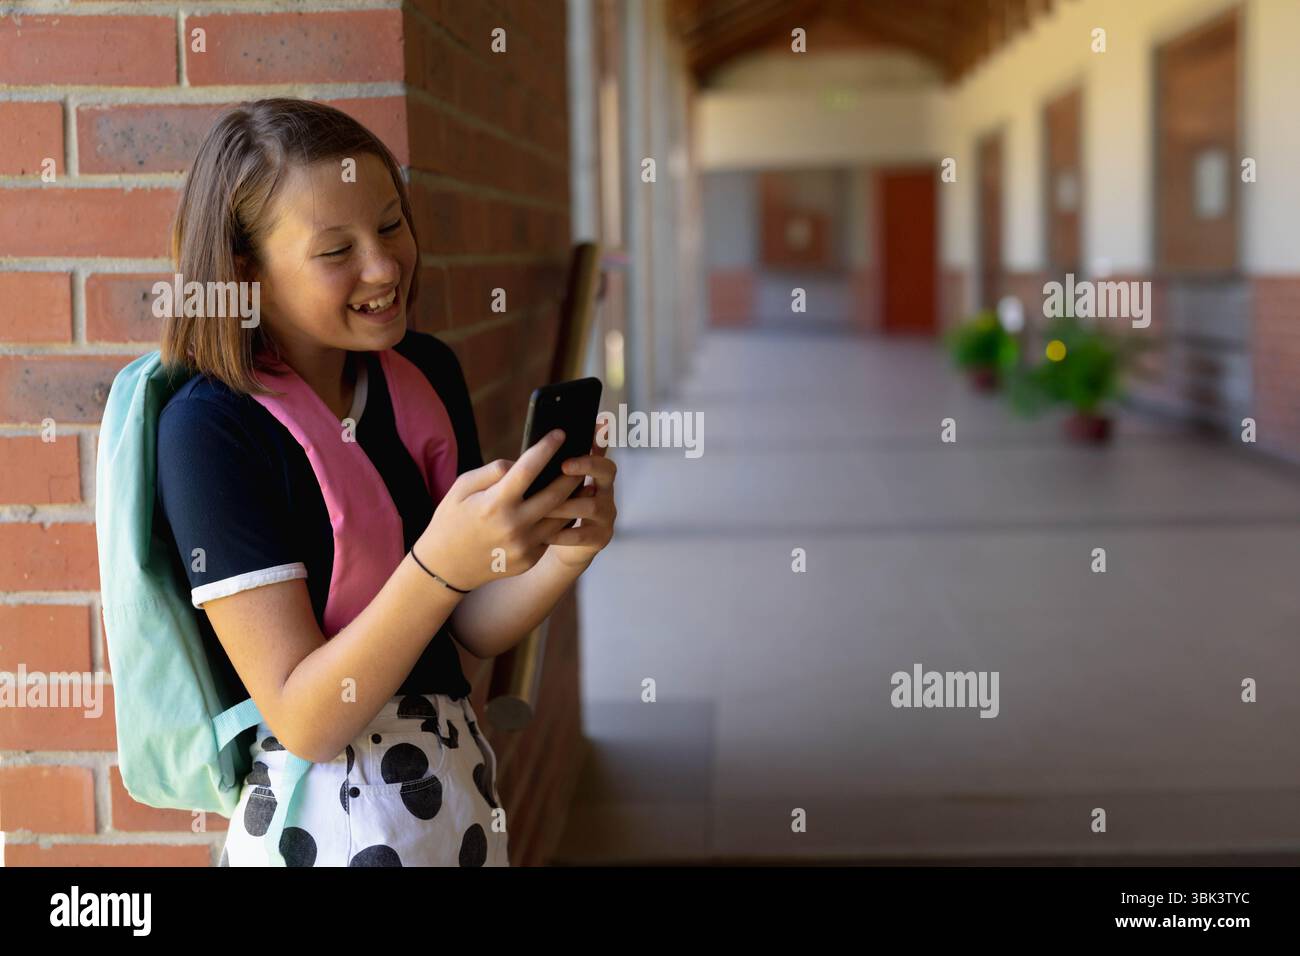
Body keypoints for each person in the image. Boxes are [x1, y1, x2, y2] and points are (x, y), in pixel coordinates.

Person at [155, 98, 616, 866]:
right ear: (246, 273)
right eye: (337, 249)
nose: (384, 266)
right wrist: (436, 565)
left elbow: (467, 626)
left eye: (392, 224)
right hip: (324, 826)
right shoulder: (212, 429)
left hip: (454, 798)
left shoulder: (426, 372)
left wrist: (566, 551)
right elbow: (306, 718)